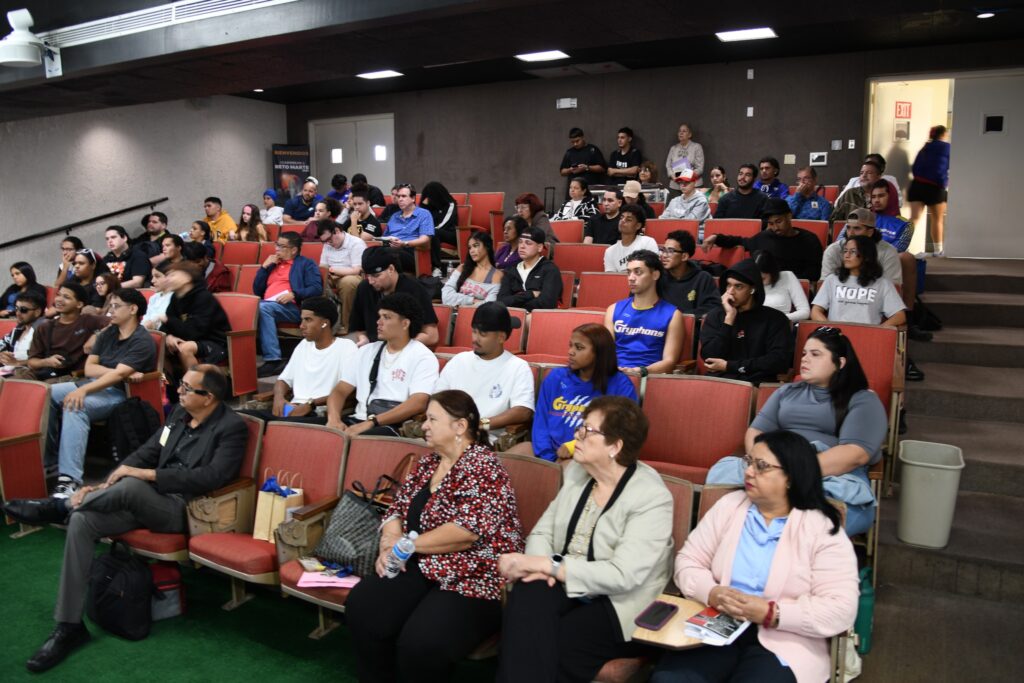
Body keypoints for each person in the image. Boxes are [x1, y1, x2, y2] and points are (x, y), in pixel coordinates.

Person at [2, 365, 246, 673]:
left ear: (208, 397)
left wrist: (144, 475)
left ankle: (59, 508)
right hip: (145, 499)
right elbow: (145, 453)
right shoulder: (178, 416)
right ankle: (68, 626)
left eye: (186, 388)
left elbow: (213, 476)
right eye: (180, 385)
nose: (178, 392)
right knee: (84, 521)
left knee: (130, 485)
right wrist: (105, 483)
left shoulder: (230, 427)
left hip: (185, 510)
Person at [345, 389, 523, 682]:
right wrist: (389, 544)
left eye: (431, 419)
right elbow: (397, 510)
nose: (423, 425)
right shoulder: (429, 462)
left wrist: (405, 545)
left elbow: (465, 532)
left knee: (422, 643)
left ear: (460, 427)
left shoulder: (484, 466)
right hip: (419, 562)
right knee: (364, 607)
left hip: (472, 574)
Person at [653, 430, 859, 683]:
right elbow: (688, 561)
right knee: (670, 680)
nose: (749, 472)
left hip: (786, 639)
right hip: (715, 623)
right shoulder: (730, 506)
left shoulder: (821, 529)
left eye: (762, 467)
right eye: (749, 462)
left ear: (791, 478)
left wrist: (772, 613)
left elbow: (841, 608)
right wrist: (712, 592)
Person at [496, 395, 674, 683]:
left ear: (615, 447)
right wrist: (541, 567)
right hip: (566, 581)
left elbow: (623, 575)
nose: (576, 435)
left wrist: (549, 566)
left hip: (619, 600)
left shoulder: (651, 497)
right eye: (581, 426)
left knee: (551, 642)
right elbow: (542, 532)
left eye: (588, 431)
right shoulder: (579, 472)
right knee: (529, 597)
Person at [712, 328, 887, 535]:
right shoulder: (786, 392)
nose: (805, 359)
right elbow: (755, 432)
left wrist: (792, 473)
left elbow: (855, 454)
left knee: (835, 505)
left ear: (840, 363)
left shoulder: (862, 399)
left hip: (827, 473)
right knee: (721, 472)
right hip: (774, 465)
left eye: (815, 354)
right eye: (804, 353)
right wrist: (761, 464)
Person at [44, 289, 156, 498]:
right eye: (110, 306)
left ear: (133, 309)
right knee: (46, 393)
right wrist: (118, 373)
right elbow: (90, 368)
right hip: (95, 384)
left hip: (121, 394)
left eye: (116, 306)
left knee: (76, 405)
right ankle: (50, 461)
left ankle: (70, 481)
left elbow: (117, 379)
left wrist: (87, 389)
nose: (110, 311)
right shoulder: (108, 333)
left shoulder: (142, 340)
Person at [326, 292, 439, 436]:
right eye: (379, 316)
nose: (379, 322)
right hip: (358, 419)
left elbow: (418, 402)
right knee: (308, 429)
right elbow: (340, 391)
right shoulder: (366, 351)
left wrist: (372, 422)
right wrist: (334, 419)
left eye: (387, 317)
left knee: (361, 439)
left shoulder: (423, 357)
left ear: (405, 324)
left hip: (392, 425)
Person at [526, 323, 638, 462]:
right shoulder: (555, 377)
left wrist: (575, 447)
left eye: (579, 348)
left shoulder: (620, 386)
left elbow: (620, 431)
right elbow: (540, 423)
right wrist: (548, 458)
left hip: (591, 455)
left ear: (599, 352)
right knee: (515, 457)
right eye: (570, 345)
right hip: (549, 451)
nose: (570, 352)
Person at [242, 297, 356, 424]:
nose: (301, 326)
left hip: (318, 413)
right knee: (240, 417)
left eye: (308, 320)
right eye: (302, 320)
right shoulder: (303, 345)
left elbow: (348, 392)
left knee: (279, 428)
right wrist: (278, 398)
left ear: (325, 323)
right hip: (291, 410)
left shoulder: (346, 347)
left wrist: (310, 404)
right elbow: (283, 380)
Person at [434, 303, 534, 445]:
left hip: (484, 438)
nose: (475, 338)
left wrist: (480, 424)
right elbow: (437, 398)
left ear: (501, 337)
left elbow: (523, 411)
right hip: (447, 433)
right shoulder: (459, 360)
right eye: (474, 331)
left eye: (482, 334)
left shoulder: (518, 367)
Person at [700, 258, 791, 384]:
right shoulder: (716, 316)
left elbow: (778, 361)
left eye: (738, 286)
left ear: (752, 289)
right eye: (728, 285)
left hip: (757, 384)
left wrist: (729, 366)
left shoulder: (775, 319)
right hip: (719, 383)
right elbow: (709, 357)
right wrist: (729, 320)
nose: (730, 292)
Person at [252, 231, 323, 377]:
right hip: (269, 304)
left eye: (281, 246)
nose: (277, 249)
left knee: (262, 308)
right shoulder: (273, 264)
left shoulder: (306, 264)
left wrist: (294, 294)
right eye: (276, 245)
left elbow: (316, 288)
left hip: (293, 307)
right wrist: (264, 268)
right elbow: (257, 290)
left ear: (294, 250)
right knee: (249, 308)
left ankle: (273, 360)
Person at [605, 250, 685, 375]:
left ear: (655, 275)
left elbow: (670, 361)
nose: (631, 278)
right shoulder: (613, 310)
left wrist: (640, 371)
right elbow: (605, 352)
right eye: (629, 272)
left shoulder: (673, 315)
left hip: (649, 377)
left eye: (638, 272)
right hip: (614, 374)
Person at [703, 198, 823, 281]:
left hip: (795, 288)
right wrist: (717, 237)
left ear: (789, 216)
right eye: (771, 223)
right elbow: (741, 241)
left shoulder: (809, 240)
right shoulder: (765, 237)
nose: (775, 228)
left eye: (779, 222)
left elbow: (814, 273)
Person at [161, 261, 230, 394]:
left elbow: (195, 332)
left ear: (187, 278)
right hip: (191, 338)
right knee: (158, 345)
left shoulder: (204, 297)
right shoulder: (176, 298)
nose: (168, 279)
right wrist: (169, 336)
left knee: (185, 348)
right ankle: (171, 387)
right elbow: (167, 325)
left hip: (216, 343)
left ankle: (196, 390)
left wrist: (168, 321)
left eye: (172, 275)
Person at [349, 248, 439, 347]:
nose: (371, 281)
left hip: (406, 350)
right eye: (368, 276)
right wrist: (363, 339)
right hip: (374, 349)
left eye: (376, 275)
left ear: (391, 269)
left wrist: (397, 345)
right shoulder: (364, 288)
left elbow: (432, 336)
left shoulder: (414, 289)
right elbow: (359, 328)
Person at [812, 235, 906, 327]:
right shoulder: (832, 280)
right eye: (845, 251)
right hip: (836, 338)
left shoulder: (883, 283)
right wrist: (830, 328)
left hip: (866, 337)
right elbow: (815, 311)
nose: (846, 255)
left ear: (867, 256)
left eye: (853, 251)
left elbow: (899, 316)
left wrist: (878, 331)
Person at [26, 283, 109, 381]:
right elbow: (31, 361)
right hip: (46, 373)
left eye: (66, 297)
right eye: (58, 295)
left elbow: (119, 322)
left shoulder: (89, 321)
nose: (59, 299)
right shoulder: (45, 327)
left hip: (74, 377)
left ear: (79, 304)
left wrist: (97, 335)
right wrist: (47, 362)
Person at [822, 208, 902, 285]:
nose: (851, 233)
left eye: (857, 228)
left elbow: (891, 289)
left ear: (870, 232)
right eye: (848, 228)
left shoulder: (888, 252)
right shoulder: (833, 250)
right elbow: (825, 287)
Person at [908, 125, 951, 256]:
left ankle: (901, 244)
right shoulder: (947, 147)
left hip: (917, 186)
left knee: (914, 218)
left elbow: (914, 168)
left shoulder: (925, 148)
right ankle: (938, 251)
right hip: (935, 188)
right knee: (937, 219)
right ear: (944, 135)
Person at [496, 227, 562, 311]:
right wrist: (530, 294)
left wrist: (517, 303)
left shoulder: (550, 270)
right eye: (520, 242)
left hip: (538, 317)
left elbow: (547, 303)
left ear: (540, 247)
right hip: (512, 316)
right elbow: (501, 301)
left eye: (528, 243)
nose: (522, 246)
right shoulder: (510, 270)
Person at [660, 230, 721, 317]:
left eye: (670, 251)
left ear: (684, 256)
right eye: (663, 250)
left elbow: (713, 307)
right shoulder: (658, 276)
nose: (664, 255)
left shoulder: (702, 278)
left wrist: (681, 317)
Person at [320, 221, 366, 334]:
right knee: (316, 282)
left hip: (352, 275)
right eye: (324, 241)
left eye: (329, 239)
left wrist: (333, 270)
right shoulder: (327, 244)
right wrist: (328, 272)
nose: (328, 243)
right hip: (332, 276)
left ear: (337, 231)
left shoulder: (356, 243)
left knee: (348, 283)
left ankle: (347, 324)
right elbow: (323, 266)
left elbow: (357, 269)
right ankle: (325, 323)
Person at [384, 183, 435, 275]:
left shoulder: (424, 214)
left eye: (403, 196)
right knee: (371, 251)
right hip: (391, 248)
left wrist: (404, 243)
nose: (400, 199)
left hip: (413, 252)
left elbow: (425, 239)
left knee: (388, 253)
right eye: (398, 196)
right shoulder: (394, 216)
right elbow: (385, 237)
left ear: (413, 198)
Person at [441, 231, 502, 307]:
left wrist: (459, 301)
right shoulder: (462, 268)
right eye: (470, 247)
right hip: (456, 315)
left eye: (476, 246)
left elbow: (489, 306)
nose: (472, 251)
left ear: (487, 247)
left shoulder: (496, 275)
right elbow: (446, 296)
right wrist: (472, 300)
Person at [831, 160, 899, 221]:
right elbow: (834, 221)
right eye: (861, 173)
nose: (864, 175)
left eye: (869, 173)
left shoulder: (884, 195)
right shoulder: (849, 194)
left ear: (879, 176)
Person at [755, 250, 809, 323]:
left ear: (772, 272)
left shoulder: (787, 276)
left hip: (781, 325)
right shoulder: (750, 281)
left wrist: (779, 319)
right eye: (756, 277)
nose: (759, 282)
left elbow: (805, 312)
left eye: (763, 278)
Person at [603, 205, 659, 273]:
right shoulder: (610, 251)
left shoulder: (648, 242)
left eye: (628, 219)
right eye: (621, 217)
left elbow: (652, 270)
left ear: (638, 226)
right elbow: (612, 279)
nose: (623, 221)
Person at [0, 290, 46, 372]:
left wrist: (18, 363)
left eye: (23, 310)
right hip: (8, 372)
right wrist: (2, 356)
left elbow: (46, 360)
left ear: (37, 312)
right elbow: (2, 344)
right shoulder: (18, 329)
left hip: (27, 375)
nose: (17, 313)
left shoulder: (43, 330)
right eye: (16, 308)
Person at [421, 181, 460, 261]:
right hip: (434, 232)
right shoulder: (430, 206)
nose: (428, 198)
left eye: (430, 196)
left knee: (433, 233)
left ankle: (436, 267)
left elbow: (445, 223)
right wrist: (424, 206)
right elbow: (420, 220)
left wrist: (427, 231)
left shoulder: (450, 204)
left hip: (450, 233)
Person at [559, 127, 606, 193]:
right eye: (572, 142)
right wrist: (570, 170)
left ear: (583, 137)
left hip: (590, 189)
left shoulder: (592, 150)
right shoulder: (569, 152)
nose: (575, 144)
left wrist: (586, 167)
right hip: (574, 191)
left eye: (577, 141)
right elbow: (562, 171)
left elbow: (602, 168)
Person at [666, 122, 705, 194]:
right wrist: (672, 175)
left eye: (684, 131)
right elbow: (668, 165)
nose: (681, 133)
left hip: (693, 185)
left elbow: (699, 168)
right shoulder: (673, 148)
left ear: (689, 135)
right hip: (675, 185)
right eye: (679, 131)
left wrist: (687, 177)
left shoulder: (697, 147)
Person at [141, 261, 174, 330]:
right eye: (152, 277)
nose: (152, 281)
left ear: (169, 277)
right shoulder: (153, 297)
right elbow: (145, 320)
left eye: (157, 276)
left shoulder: (175, 297)